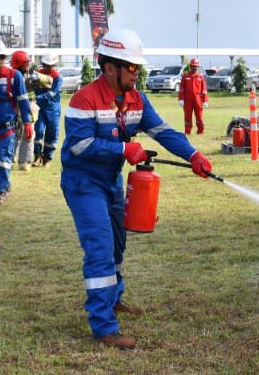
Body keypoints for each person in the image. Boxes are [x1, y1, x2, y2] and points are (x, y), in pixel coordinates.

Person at [60, 28, 214, 350]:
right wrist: (123, 149)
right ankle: (104, 327)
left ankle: (114, 299)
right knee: (100, 248)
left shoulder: (137, 100)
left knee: (117, 246)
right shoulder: (84, 99)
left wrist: (193, 155)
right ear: (110, 67)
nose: (136, 73)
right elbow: (78, 146)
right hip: (83, 183)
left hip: (111, 181)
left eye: (137, 67)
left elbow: (163, 132)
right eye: (131, 67)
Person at [0, 40, 32, 204]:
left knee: (4, 159)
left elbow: (23, 100)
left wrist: (28, 122)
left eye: (2, 57)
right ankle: (5, 185)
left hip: (8, 128)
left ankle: (0, 191)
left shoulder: (15, 76)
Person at [10, 50, 41, 171]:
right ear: (19, 64)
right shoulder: (14, 76)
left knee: (25, 135)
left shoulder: (31, 75)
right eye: (25, 63)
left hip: (28, 108)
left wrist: (38, 78)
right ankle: (18, 160)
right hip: (17, 108)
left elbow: (50, 81)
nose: (28, 65)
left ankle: (21, 161)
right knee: (17, 135)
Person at [33, 54, 63, 167]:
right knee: (38, 130)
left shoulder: (57, 77)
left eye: (50, 66)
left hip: (53, 108)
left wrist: (36, 98)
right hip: (40, 107)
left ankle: (47, 158)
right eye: (46, 65)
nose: (48, 68)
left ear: (54, 65)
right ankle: (37, 156)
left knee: (52, 132)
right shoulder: (37, 74)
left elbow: (52, 93)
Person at [177, 58, 209, 135]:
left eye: (196, 66)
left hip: (198, 99)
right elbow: (181, 89)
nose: (195, 68)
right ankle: (187, 131)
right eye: (194, 66)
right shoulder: (185, 76)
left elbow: (204, 90)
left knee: (199, 116)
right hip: (187, 99)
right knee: (187, 116)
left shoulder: (200, 77)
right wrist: (181, 99)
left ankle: (201, 131)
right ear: (190, 66)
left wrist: (205, 100)